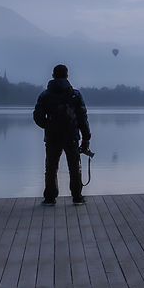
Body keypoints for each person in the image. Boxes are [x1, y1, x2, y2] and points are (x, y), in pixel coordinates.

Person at [33, 64, 91, 205]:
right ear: (67, 75)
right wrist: (86, 137)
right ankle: (77, 197)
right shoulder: (75, 95)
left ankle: (49, 198)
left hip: (52, 137)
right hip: (71, 136)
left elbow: (37, 116)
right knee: (74, 166)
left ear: (53, 75)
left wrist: (48, 125)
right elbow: (82, 118)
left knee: (51, 167)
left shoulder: (45, 95)